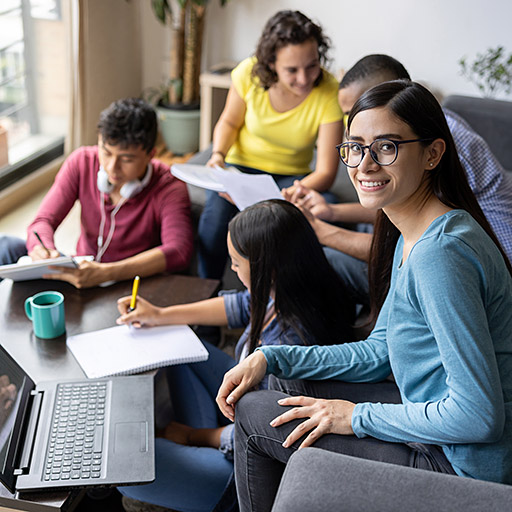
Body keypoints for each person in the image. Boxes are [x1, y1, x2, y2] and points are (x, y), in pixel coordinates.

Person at [216, 80, 512, 512]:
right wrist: (271, 355)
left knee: (257, 415)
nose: (364, 165)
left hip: (460, 465)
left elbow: (479, 417)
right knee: (278, 381)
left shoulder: (438, 256)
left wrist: (354, 417)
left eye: (386, 147)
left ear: (433, 153)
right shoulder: (411, 233)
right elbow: (381, 351)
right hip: (435, 425)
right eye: (355, 147)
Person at [116, 199, 355, 512]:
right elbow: (240, 305)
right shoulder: (293, 286)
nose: (231, 268)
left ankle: (190, 472)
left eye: (236, 263)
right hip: (244, 401)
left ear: (265, 269)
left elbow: (261, 432)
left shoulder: (293, 350)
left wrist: (191, 436)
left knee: (126, 466)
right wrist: (159, 315)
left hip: (248, 463)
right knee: (176, 348)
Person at [288, 54, 512, 308]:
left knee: (320, 259)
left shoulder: (439, 248)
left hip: (499, 264)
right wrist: (331, 212)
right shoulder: (431, 125)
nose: (363, 164)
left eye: (385, 145)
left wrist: (321, 231)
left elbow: (413, 242)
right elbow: (400, 205)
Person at [198, 10, 343, 280]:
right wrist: (218, 155)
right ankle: (207, 300)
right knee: (215, 219)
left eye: (312, 65)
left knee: (326, 209)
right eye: (292, 70)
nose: (304, 78)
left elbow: (325, 172)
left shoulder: (329, 91)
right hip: (241, 168)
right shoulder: (248, 74)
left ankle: (296, 304)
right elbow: (229, 123)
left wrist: (279, 194)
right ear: (271, 63)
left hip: (294, 178)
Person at [0, 98, 193, 288]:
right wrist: (43, 250)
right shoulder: (81, 162)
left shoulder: (170, 186)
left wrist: (107, 272)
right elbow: (42, 222)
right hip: (82, 273)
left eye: (126, 159)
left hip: (129, 283)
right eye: (106, 153)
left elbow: (178, 251)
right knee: (6, 246)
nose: (112, 168)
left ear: (150, 155)